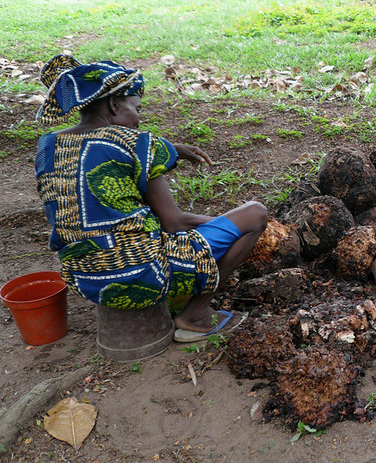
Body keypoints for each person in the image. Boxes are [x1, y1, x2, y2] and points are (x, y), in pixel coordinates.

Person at [34, 54, 268, 341]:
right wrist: (231, 225)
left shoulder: (48, 146)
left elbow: (98, 152)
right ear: (114, 104)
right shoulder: (137, 143)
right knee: (255, 213)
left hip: (84, 278)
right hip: (140, 273)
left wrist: (172, 148)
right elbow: (176, 223)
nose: (139, 119)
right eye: (137, 108)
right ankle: (196, 314)